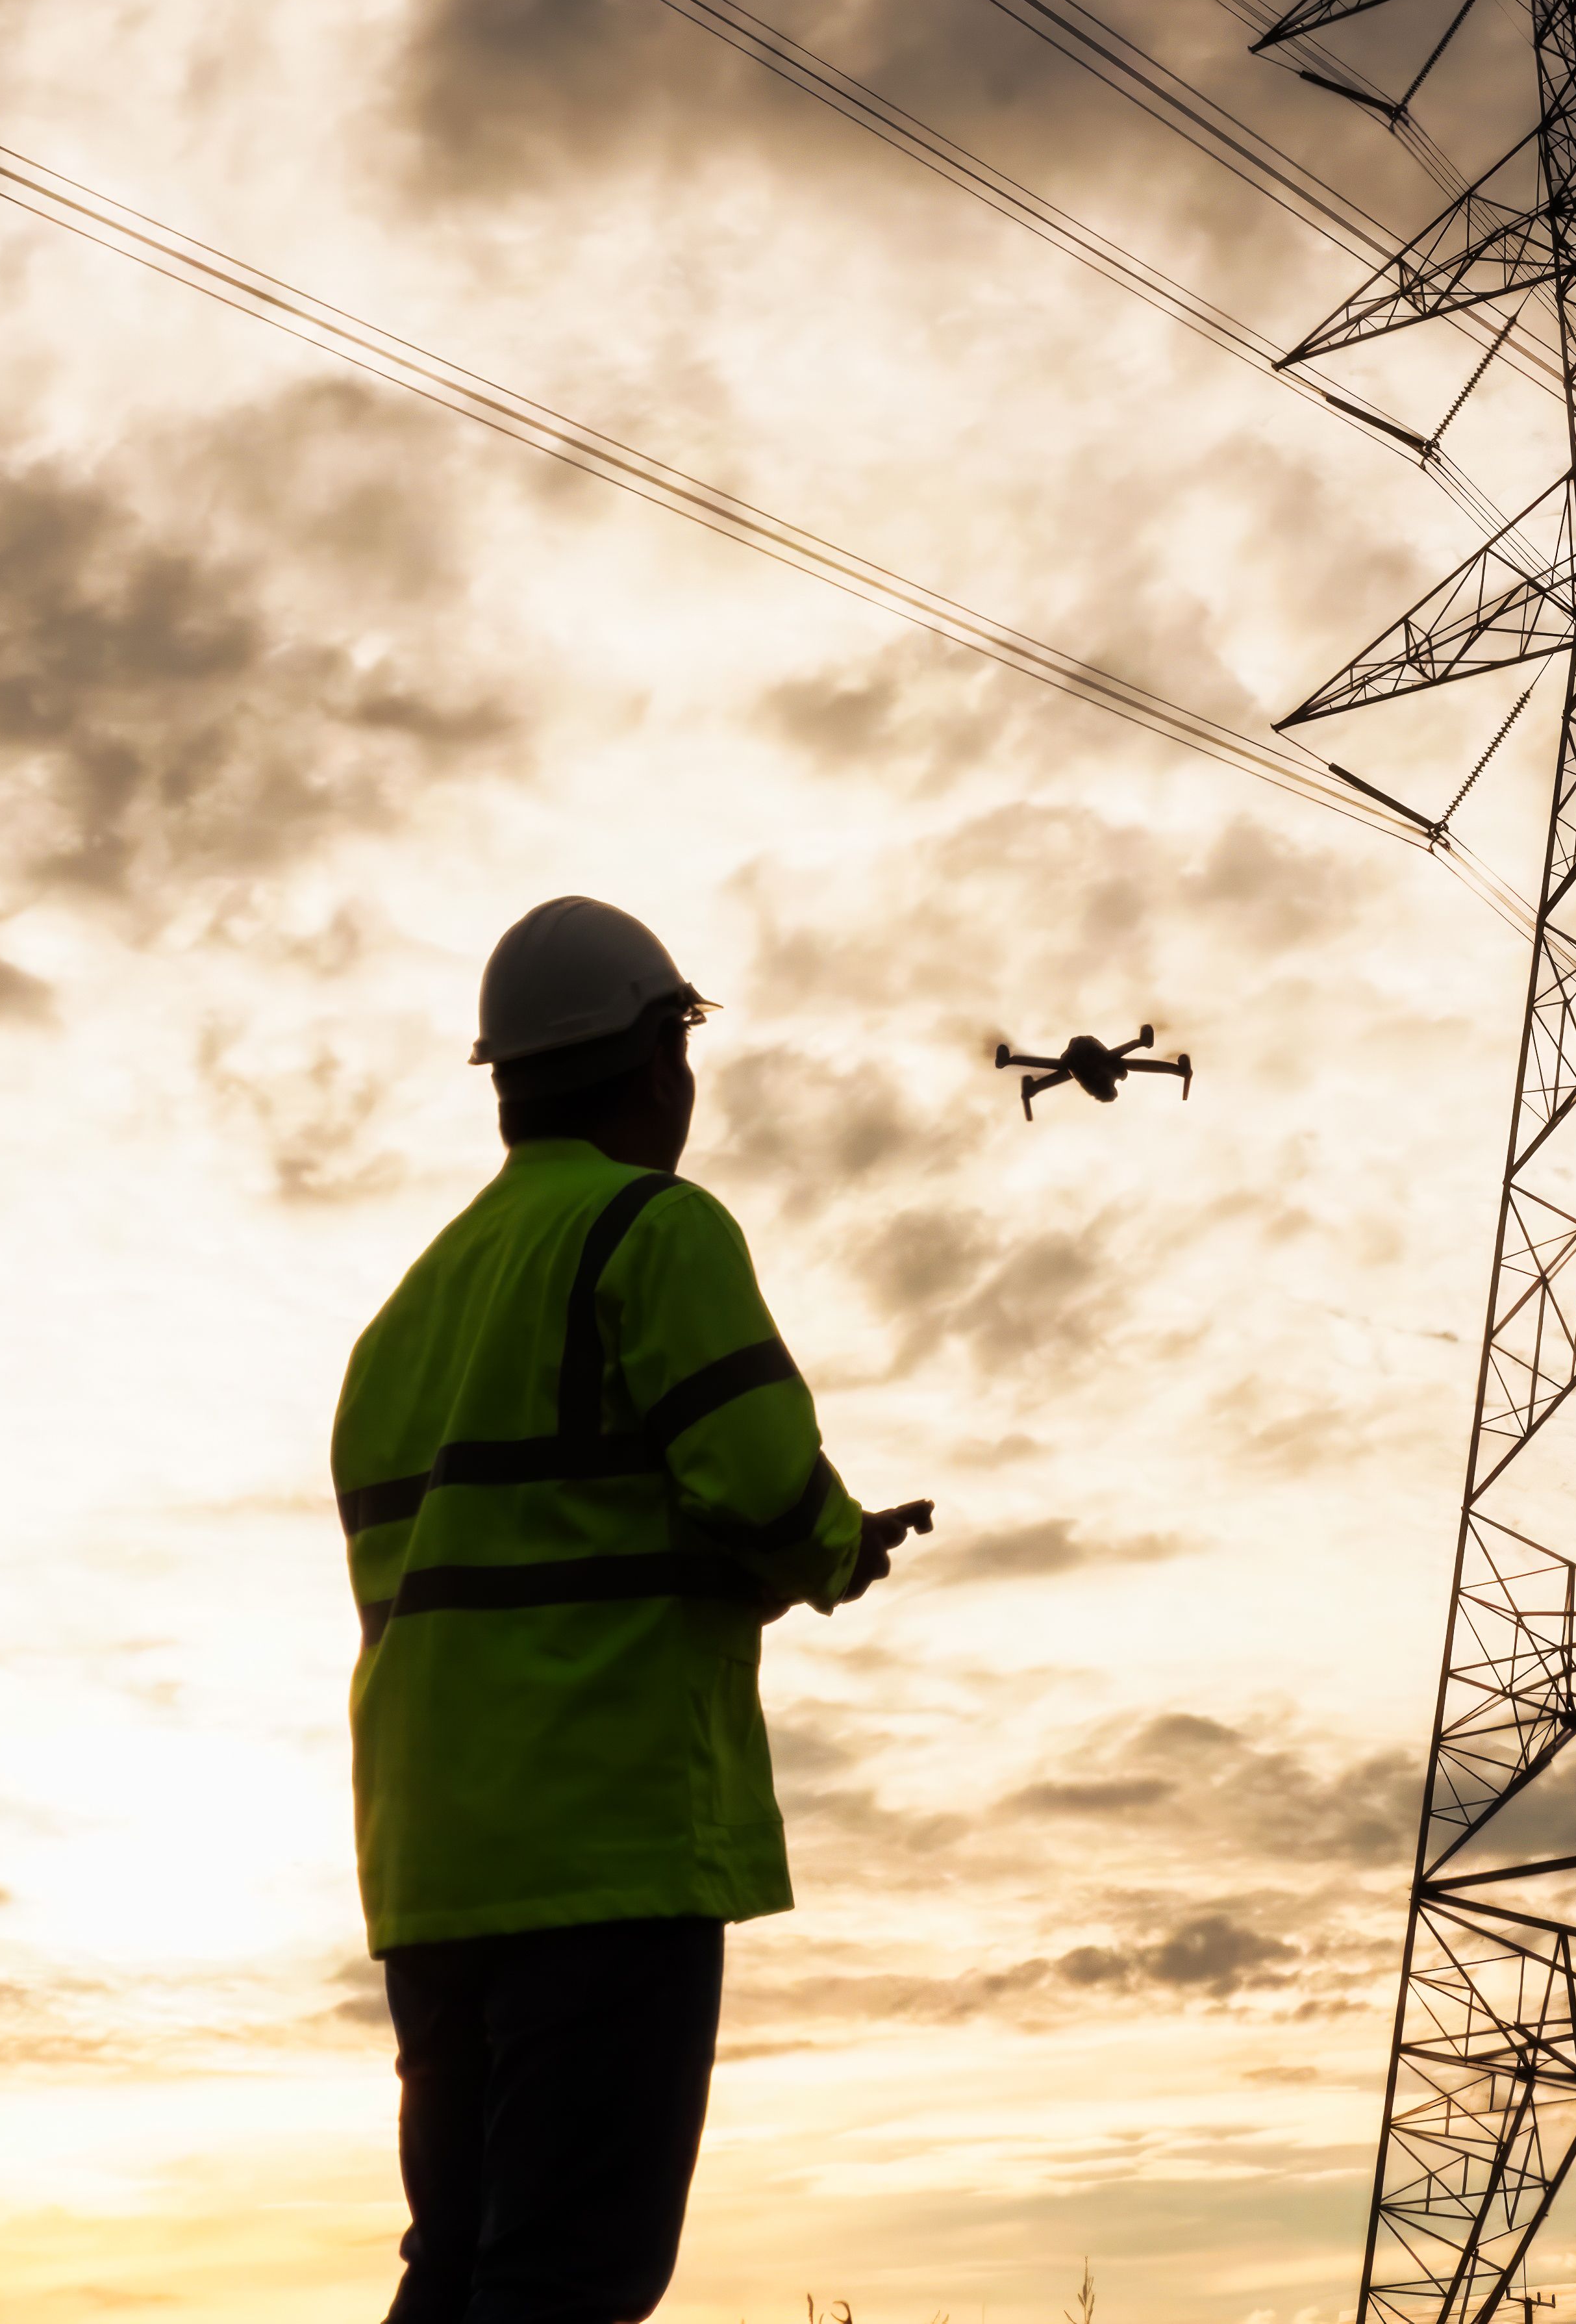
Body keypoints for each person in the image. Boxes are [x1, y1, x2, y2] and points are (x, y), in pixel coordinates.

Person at [336, 895, 932, 2324]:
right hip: (603, 1845)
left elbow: (532, 1553)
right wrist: (839, 1550)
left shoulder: (407, 1313)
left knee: (465, 2263)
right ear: (661, 1054)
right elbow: (762, 1480)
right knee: (574, 2279)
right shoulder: (651, 1232)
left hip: (436, 1865)